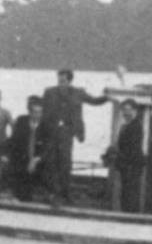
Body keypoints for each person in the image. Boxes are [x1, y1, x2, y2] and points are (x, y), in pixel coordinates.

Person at [41, 69, 109, 204]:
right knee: (51, 163)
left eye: (63, 81)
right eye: (59, 80)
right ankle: (52, 193)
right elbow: (43, 112)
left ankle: (65, 194)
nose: (61, 83)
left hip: (67, 133)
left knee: (65, 163)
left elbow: (94, 101)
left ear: (69, 81)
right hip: (51, 133)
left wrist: (107, 96)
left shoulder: (78, 93)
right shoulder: (49, 92)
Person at [115, 99, 152, 213]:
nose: (126, 113)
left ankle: (130, 215)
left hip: (132, 166)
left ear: (135, 111)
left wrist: (122, 159)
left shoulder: (136, 126)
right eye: (124, 110)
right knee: (127, 192)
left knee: (131, 193)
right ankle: (128, 213)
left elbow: (133, 149)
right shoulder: (130, 124)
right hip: (129, 165)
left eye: (128, 110)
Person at [5, 96, 51, 201]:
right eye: (35, 112)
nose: (37, 115)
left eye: (40, 112)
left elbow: (48, 146)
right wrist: (5, 154)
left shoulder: (46, 125)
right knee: (16, 170)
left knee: (44, 171)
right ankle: (15, 193)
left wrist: (36, 159)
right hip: (22, 159)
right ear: (29, 112)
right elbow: (14, 140)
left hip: (38, 160)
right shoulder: (21, 121)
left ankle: (40, 194)